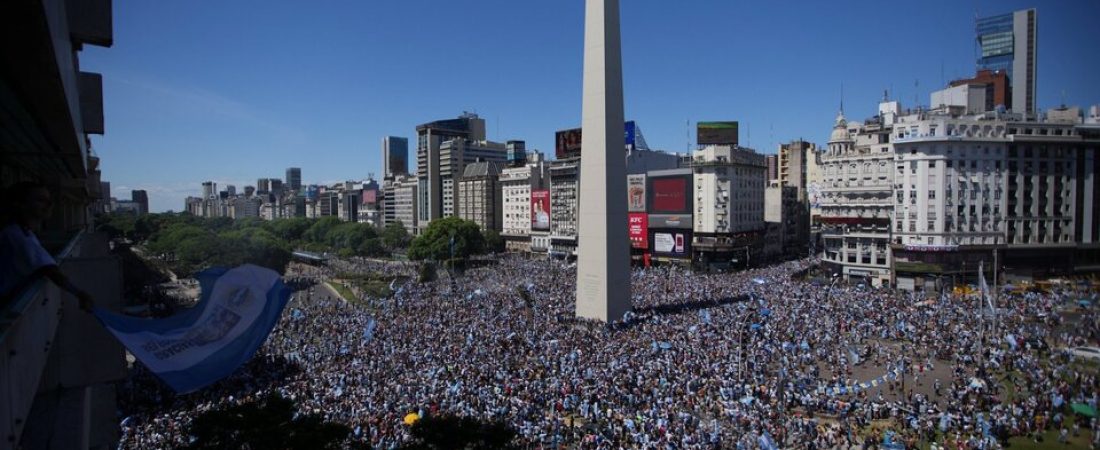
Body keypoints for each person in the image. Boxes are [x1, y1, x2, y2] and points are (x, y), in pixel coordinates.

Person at [0, 181, 93, 311]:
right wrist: (79, 293)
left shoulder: (22, 232)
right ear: (20, 204)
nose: (49, 205)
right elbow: (50, 270)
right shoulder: (16, 236)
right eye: (40, 200)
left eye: (49, 200)